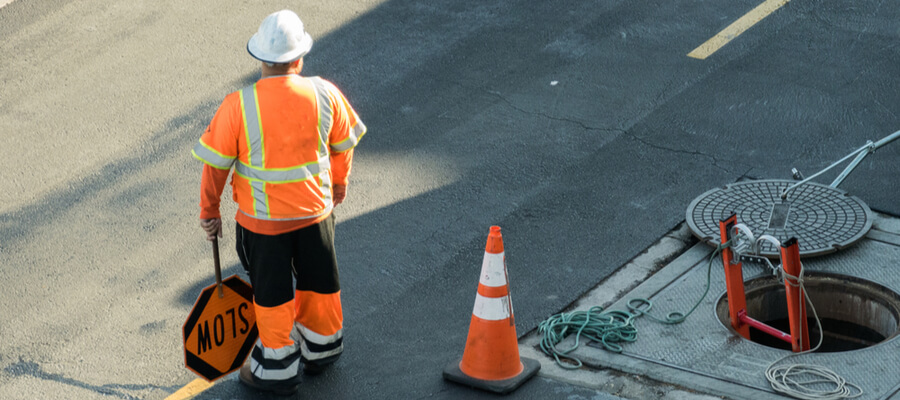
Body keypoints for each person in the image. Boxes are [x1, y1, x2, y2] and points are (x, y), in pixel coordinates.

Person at [191, 9, 366, 395]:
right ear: (299, 58)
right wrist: (339, 186)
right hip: (316, 214)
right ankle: (323, 347)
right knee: (319, 283)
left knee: (272, 294)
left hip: (263, 226)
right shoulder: (325, 93)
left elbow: (215, 168)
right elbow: (344, 145)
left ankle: (278, 365)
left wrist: (209, 213)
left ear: (260, 60)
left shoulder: (238, 105)